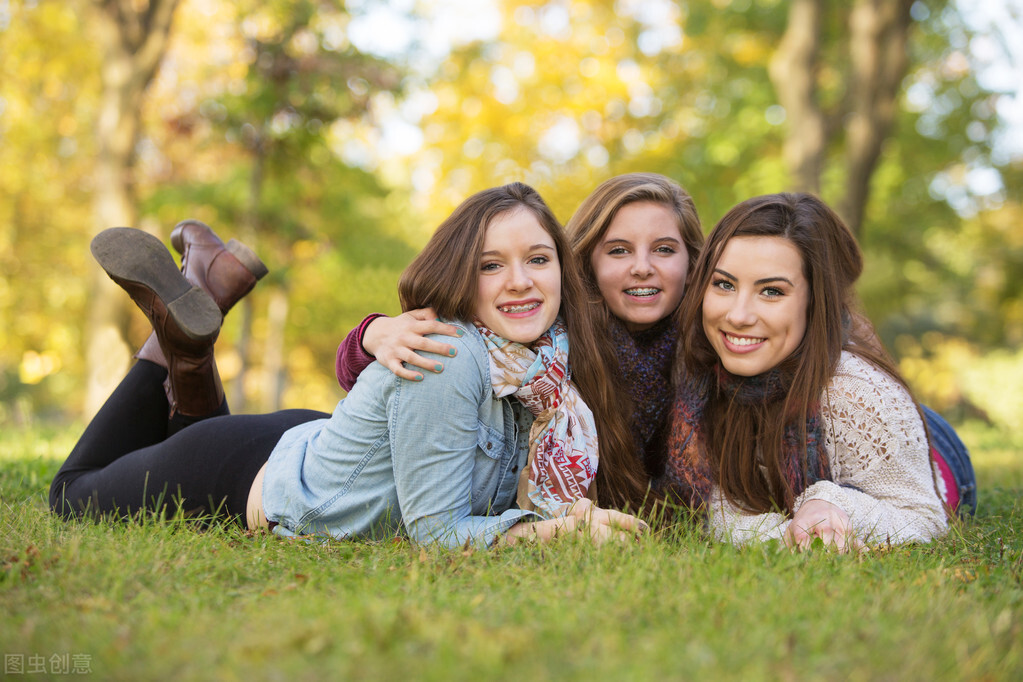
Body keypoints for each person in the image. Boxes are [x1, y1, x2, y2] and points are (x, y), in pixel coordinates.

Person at [50, 183, 647, 548]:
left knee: (170, 438)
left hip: (312, 447)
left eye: (538, 259)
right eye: (492, 265)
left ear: (561, 271)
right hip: (239, 475)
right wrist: (555, 534)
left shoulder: (544, 361)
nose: (520, 281)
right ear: (462, 276)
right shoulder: (443, 357)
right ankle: (178, 342)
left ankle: (200, 305)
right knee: (69, 492)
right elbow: (437, 537)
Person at [336, 173, 705, 506]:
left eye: (664, 249)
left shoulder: (713, 342)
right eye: (619, 250)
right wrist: (372, 333)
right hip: (349, 456)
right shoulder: (548, 329)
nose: (642, 267)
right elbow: (383, 377)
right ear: (584, 260)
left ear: (692, 262)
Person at [660, 192, 976, 552]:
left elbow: (924, 517)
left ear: (814, 301)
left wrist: (829, 502)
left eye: (771, 291)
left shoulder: (858, 394)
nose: (738, 315)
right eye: (724, 284)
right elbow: (713, 507)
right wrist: (787, 536)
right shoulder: (696, 373)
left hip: (920, 457)